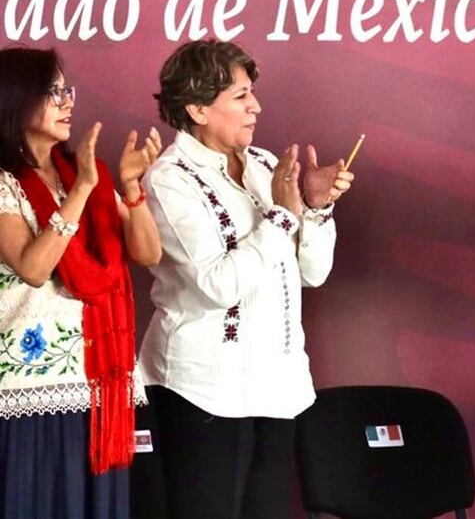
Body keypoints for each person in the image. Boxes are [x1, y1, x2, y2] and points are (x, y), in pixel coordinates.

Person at [138, 39, 355, 519]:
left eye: (251, 91)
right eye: (239, 95)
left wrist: (316, 209)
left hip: (276, 384)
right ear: (196, 107)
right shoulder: (169, 180)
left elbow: (312, 274)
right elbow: (218, 286)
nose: (255, 105)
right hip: (201, 390)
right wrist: (281, 215)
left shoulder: (265, 166)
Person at [0, 46, 162, 519]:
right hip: (29, 388)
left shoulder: (76, 172)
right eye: (53, 92)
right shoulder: (7, 181)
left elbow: (148, 253)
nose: (68, 101)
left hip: (95, 383)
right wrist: (83, 192)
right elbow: (32, 267)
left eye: (66, 90)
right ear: (16, 97)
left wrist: (131, 191)